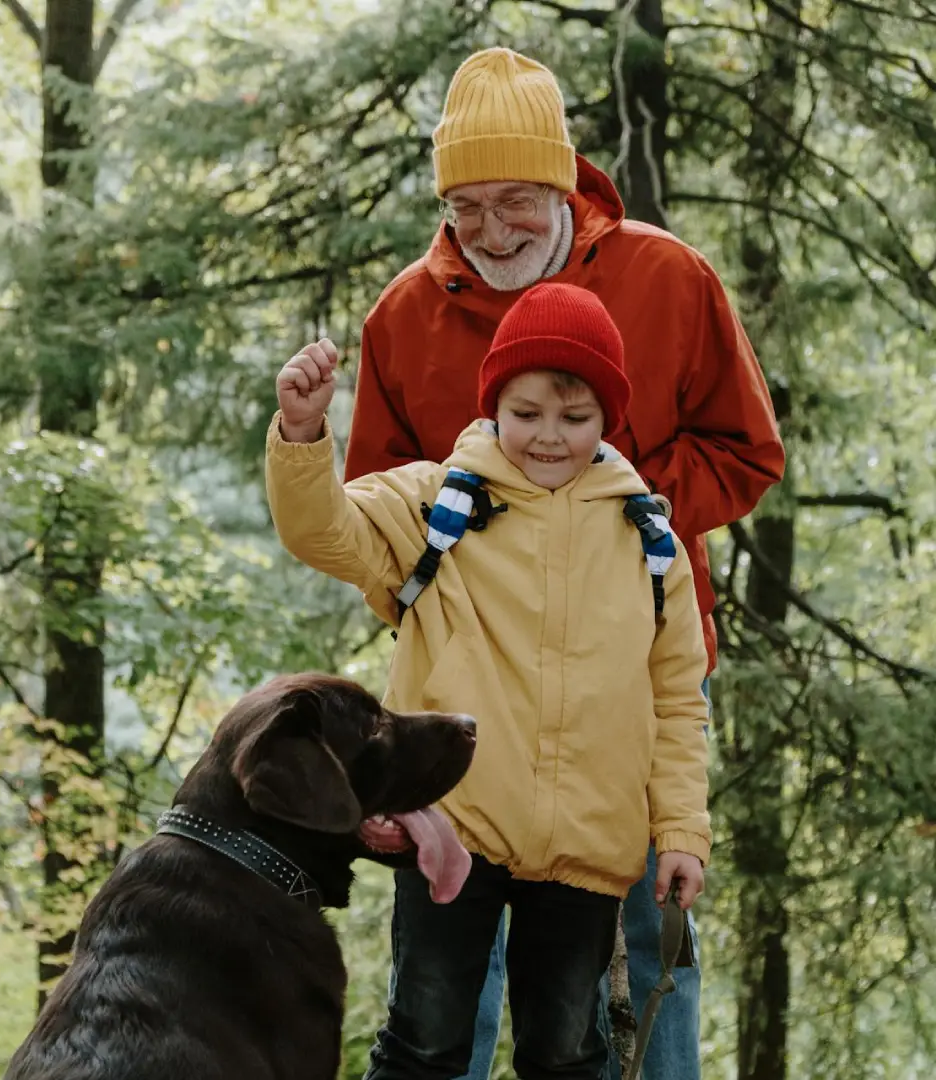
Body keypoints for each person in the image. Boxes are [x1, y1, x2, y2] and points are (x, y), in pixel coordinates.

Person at [342, 46, 786, 1080]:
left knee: (639, 937)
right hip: (467, 685)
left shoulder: (668, 277)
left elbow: (747, 449)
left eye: (514, 202)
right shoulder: (402, 315)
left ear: (563, 179)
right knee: (457, 942)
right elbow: (370, 515)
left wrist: (613, 523)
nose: (491, 232)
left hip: (633, 668)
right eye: (464, 207)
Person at [266, 281, 712, 1079]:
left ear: (608, 418)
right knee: (426, 1046)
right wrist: (304, 436)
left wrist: (679, 831)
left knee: (568, 1057)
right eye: (527, 412)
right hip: (451, 832)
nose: (548, 438)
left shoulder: (650, 543)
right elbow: (321, 529)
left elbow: (678, 701)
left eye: (575, 419)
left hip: (589, 846)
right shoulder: (437, 503)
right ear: (493, 403)